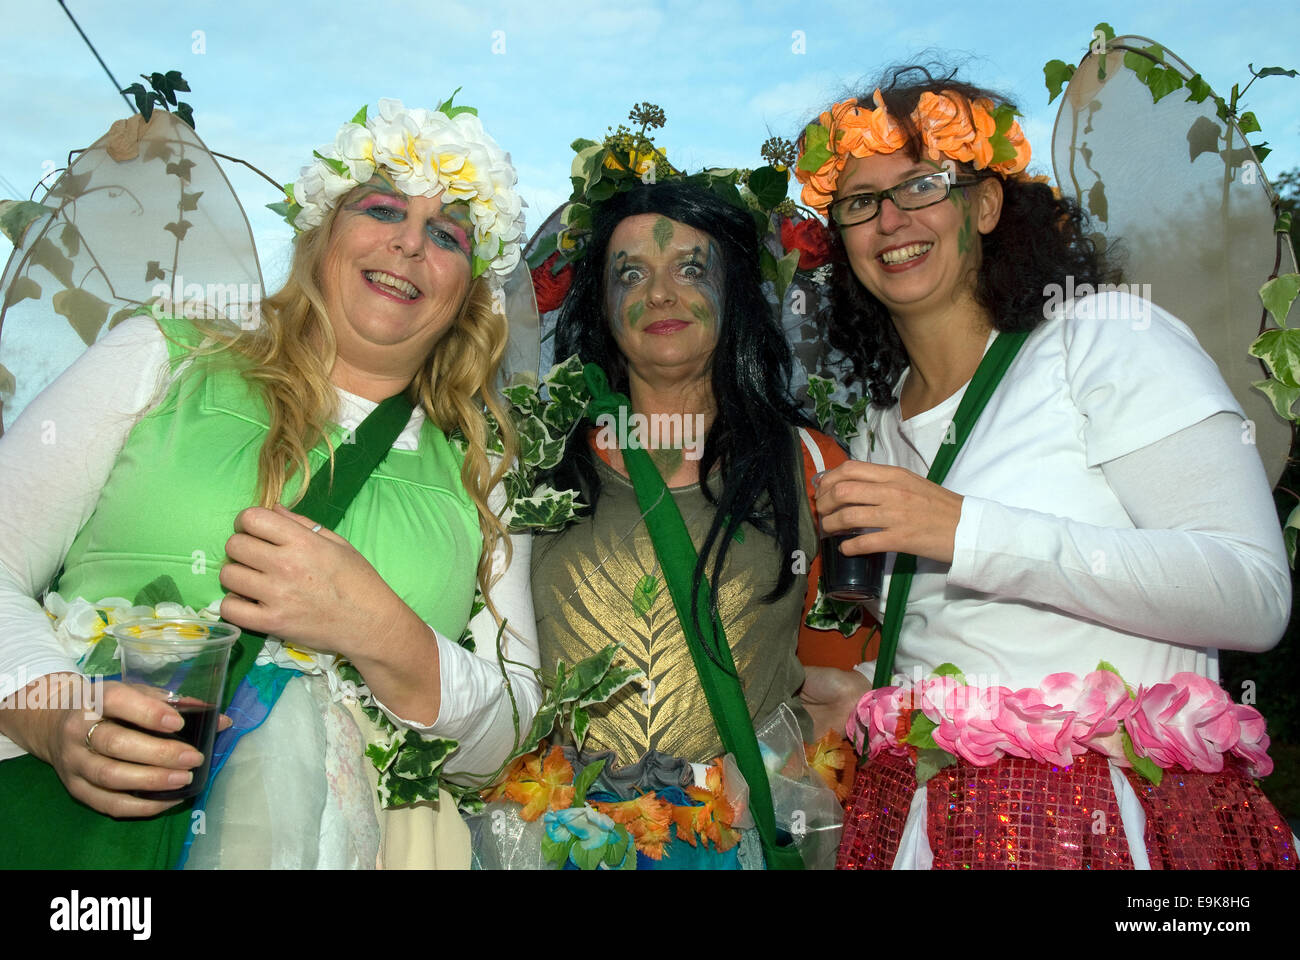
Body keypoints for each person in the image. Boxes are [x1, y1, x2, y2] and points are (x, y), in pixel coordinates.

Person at [0, 96, 540, 869]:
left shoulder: (485, 473)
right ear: (323, 236)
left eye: (448, 234)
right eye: (383, 207)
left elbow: (507, 736)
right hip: (78, 838)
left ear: (469, 292)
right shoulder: (163, 355)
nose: (409, 243)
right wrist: (53, 714)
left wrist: (382, 632)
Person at [795, 66, 1295, 869]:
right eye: (861, 202)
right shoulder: (880, 422)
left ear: (985, 205)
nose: (891, 220)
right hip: (921, 828)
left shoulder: (1106, 337)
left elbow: (1253, 595)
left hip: (1112, 827)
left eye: (922, 185)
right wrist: (857, 691)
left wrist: (967, 529)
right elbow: (958, 641)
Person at [513, 180, 856, 869]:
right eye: (630, 274)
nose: (661, 293)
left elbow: (833, 674)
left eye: (691, 269)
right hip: (555, 842)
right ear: (601, 307)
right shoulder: (531, 464)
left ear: (736, 298)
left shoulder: (814, 464)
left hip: (740, 841)